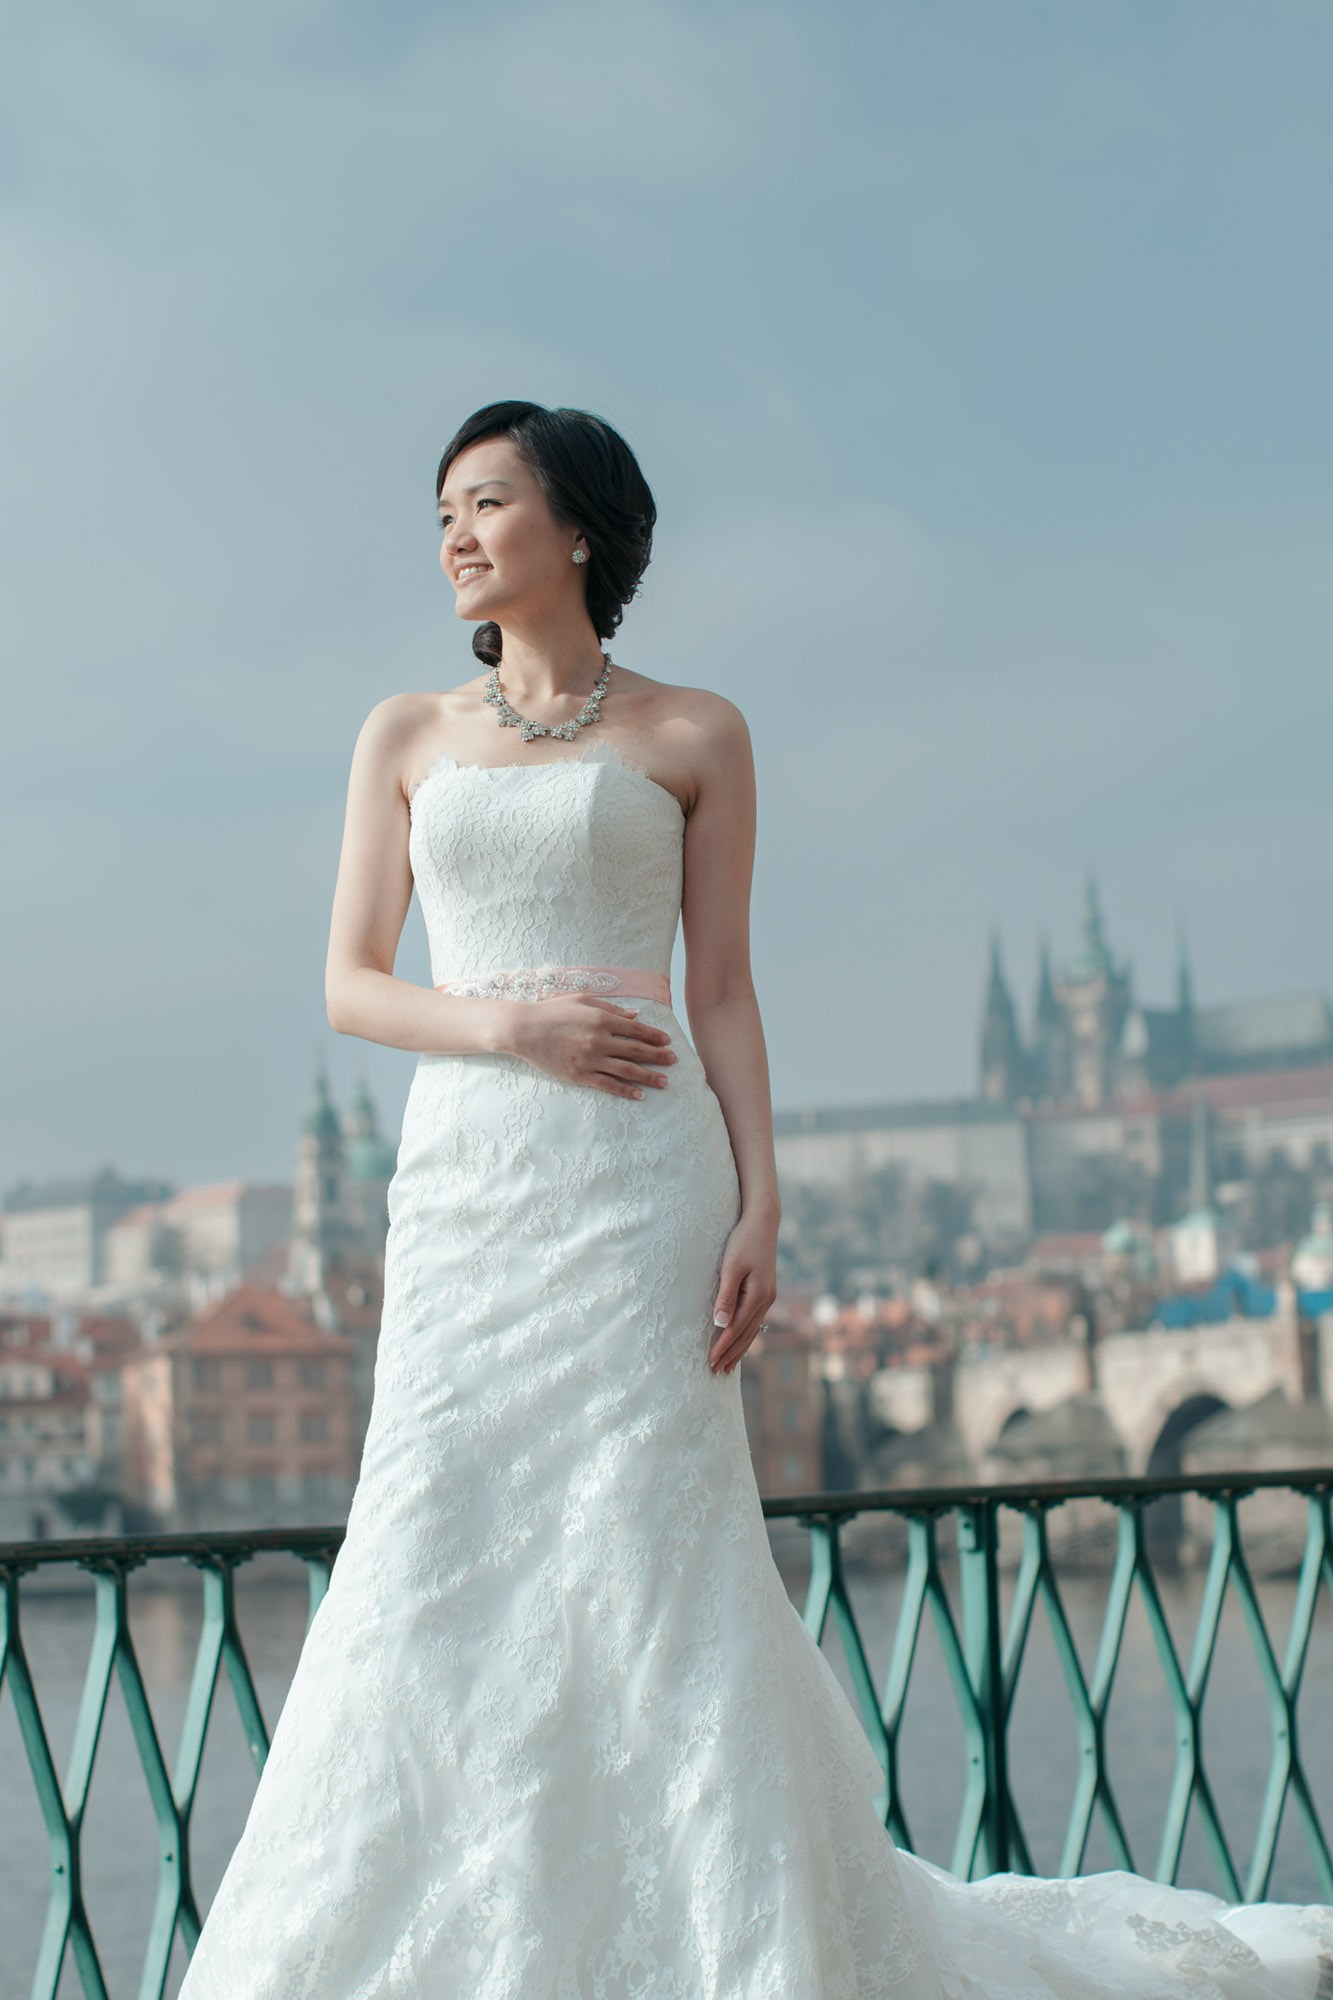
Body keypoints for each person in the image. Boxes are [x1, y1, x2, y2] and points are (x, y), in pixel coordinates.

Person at [179, 400, 1333, 1998]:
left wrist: (761, 1206)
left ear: (575, 528)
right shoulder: (404, 733)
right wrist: (510, 1029)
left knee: (648, 1539)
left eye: (486, 502)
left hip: (640, 1177)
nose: (452, 535)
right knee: (436, 1521)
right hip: (470, 1182)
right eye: (441, 511)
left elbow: (720, 991)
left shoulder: (695, 731)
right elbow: (348, 984)